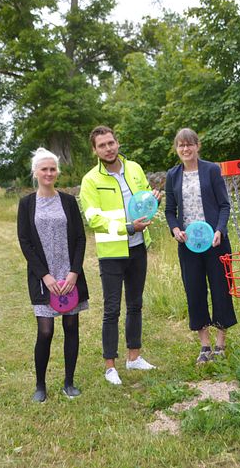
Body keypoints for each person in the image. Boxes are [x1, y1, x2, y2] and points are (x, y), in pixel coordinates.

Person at [80, 126, 160, 385]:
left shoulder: (134, 168)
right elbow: (93, 219)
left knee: (135, 304)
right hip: (112, 251)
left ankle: (134, 357)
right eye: (102, 145)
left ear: (117, 142)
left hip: (138, 247)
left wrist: (153, 199)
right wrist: (127, 228)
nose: (108, 148)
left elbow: (145, 198)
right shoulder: (90, 180)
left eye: (111, 142)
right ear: (95, 150)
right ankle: (110, 366)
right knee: (112, 309)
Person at [17, 148, 89, 401]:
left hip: (69, 274)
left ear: (57, 171)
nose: (49, 173)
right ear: (35, 172)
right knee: (45, 331)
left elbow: (80, 238)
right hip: (43, 278)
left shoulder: (69, 201)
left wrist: (73, 273)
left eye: (52, 169)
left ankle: (69, 382)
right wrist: (45, 276)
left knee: (71, 326)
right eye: (44, 169)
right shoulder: (26, 204)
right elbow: (25, 242)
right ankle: (40, 385)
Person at [164, 128, 237, 364]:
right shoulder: (173, 176)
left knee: (220, 289)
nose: (185, 149)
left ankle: (220, 344)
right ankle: (204, 345)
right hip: (189, 245)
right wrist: (175, 229)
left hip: (215, 242)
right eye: (181, 145)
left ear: (197, 146)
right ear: (177, 149)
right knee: (194, 291)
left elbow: (224, 205)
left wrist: (219, 230)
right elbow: (169, 211)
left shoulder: (212, 170)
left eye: (189, 144)